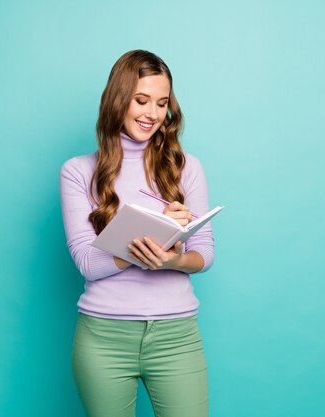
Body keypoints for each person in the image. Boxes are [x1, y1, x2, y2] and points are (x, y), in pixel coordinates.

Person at [59, 49, 214, 417]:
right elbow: (87, 263)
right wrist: (152, 231)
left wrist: (173, 259)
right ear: (118, 100)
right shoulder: (78, 171)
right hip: (103, 339)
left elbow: (205, 254)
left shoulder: (186, 168)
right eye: (141, 101)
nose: (152, 114)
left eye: (162, 104)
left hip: (177, 337)